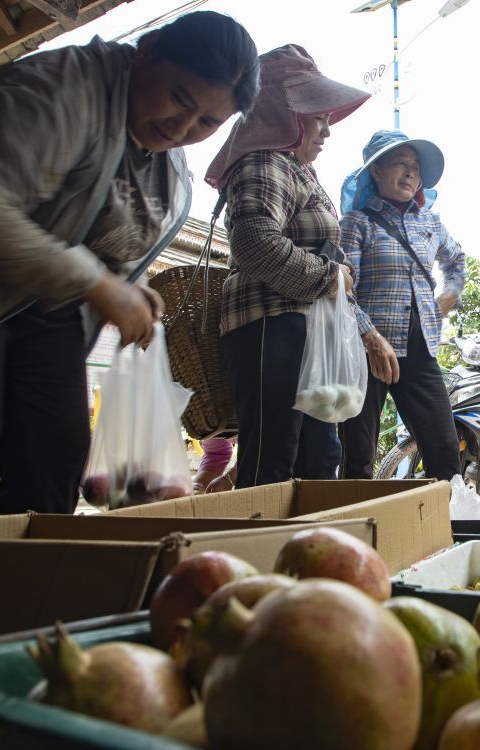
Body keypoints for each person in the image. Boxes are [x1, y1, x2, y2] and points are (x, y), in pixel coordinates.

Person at [0, 12, 260, 518]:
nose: (181, 128)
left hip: (47, 310)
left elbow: (107, 243)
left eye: (207, 123)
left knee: (55, 459)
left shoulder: (167, 165)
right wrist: (96, 282)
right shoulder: (54, 90)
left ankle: (24, 587)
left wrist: (124, 286)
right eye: (180, 98)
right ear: (150, 49)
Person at [205, 45, 369, 489]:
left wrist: (363, 327)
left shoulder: (299, 172)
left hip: (303, 333)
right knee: (274, 464)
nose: (327, 130)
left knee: (317, 461)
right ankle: (262, 553)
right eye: (318, 117)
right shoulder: (264, 161)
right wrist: (328, 278)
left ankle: (307, 554)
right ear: (285, 114)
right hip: (269, 329)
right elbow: (255, 243)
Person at [338, 130, 467, 480]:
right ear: (376, 171)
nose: (411, 173)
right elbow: (342, 291)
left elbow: (456, 260)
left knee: (444, 450)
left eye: (415, 167)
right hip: (367, 350)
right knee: (357, 458)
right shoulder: (357, 223)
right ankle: (359, 531)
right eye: (400, 163)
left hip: (420, 346)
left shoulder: (430, 222)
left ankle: (445, 531)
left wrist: (451, 291)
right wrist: (370, 337)